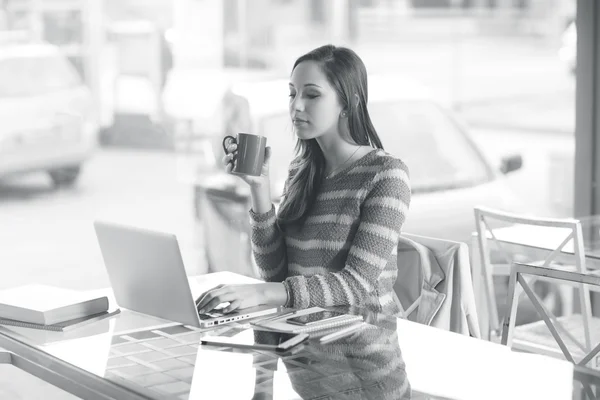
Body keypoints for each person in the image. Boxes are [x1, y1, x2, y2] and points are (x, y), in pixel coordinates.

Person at [195, 44, 411, 316]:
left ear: (349, 103)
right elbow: (276, 275)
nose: (296, 105)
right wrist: (258, 188)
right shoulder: (301, 171)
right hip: (304, 335)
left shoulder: (386, 174)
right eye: (292, 94)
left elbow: (356, 284)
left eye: (312, 95)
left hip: (365, 341)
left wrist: (260, 293)